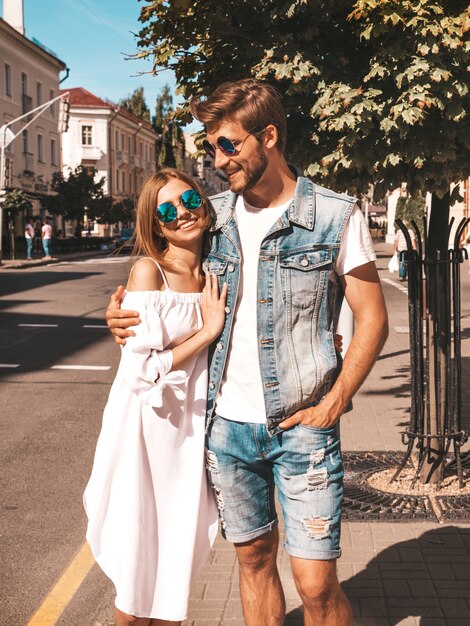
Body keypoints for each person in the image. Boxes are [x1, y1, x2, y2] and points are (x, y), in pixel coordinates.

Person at [106, 79, 389, 626]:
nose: (217, 159)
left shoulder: (335, 215)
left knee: (316, 583)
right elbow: (163, 271)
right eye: (211, 147)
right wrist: (119, 307)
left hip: (304, 425)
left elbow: (374, 318)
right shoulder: (211, 218)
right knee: (254, 561)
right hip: (226, 429)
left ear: (270, 137)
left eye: (228, 145)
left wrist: (336, 402)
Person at [84, 168, 228, 625]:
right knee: (138, 571)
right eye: (167, 211)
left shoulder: (219, 264)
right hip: (143, 436)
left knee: (174, 574)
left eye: (189, 200)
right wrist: (207, 331)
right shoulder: (150, 271)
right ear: (154, 224)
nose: (182, 214)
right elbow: (143, 370)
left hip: (188, 435)